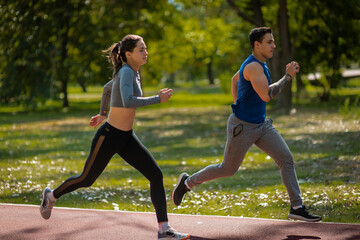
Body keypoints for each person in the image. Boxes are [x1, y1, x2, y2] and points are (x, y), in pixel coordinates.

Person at [40, 34, 190, 240]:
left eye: (145, 49)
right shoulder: (127, 71)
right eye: (141, 50)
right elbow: (128, 101)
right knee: (86, 179)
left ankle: (164, 230)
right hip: (109, 136)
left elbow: (107, 88)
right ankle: (51, 195)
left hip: (126, 137)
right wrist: (158, 99)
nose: (146, 53)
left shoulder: (132, 72)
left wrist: (102, 112)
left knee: (156, 175)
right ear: (128, 54)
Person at [172, 27, 322, 222]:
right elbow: (267, 95)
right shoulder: (252, 67)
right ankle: (187, 183)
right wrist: (288, 76)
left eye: (273, 41)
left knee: (286, 158)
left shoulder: (259, 64)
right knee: (228, 169)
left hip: (262, 125)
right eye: (269, 42)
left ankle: (297, 207)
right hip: (242, 128)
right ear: (257, 45)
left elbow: (235, 80)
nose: (273, 46)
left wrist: (238, 102)